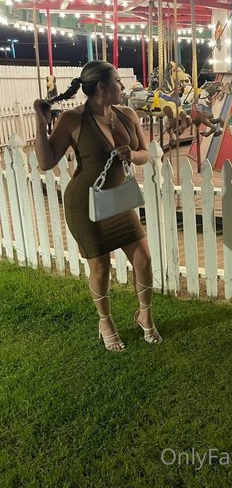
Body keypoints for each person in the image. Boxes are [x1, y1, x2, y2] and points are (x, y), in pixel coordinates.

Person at [34, 60, 162, 351]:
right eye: (118, 80)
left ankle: (144, 315)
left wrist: (132, 155)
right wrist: (41, 123)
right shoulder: (73, 120)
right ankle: (105, 321)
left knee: (143, 259)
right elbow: (45, 162)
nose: (122, 86)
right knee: (101, 267)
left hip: (119, 200)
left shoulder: (127, 114)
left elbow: (145, 154)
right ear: (102, 88)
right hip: (85, 204)